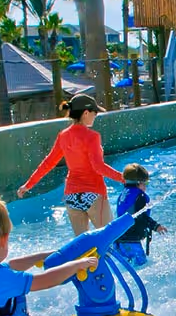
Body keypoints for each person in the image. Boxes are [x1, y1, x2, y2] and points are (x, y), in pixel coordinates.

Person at [18, 93, 124, 235]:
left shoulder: (63, 135)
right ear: (86, 113)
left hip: (72, 196)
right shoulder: (92, 136)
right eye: (95, 113)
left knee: (82, 248)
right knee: (110, 236)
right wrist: (124, 178)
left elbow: (48, 163)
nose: (95, 116)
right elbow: (98, 167)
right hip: (93, 193)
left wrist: (28, 185)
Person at [113, 163, 167, 266]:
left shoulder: (123, 194)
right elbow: (141, 216)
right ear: (139, 183)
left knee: (128, 268)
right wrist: (156, 226)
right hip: (130, 241)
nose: (145, 187)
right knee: (141, 266)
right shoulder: (139, 196)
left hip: (118, 240)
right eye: (145, 184)